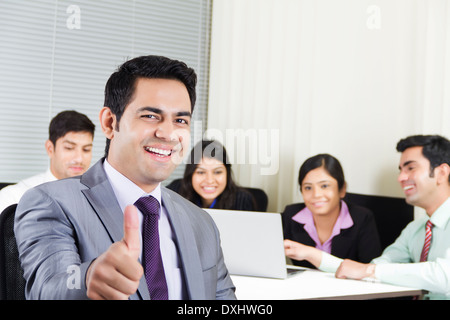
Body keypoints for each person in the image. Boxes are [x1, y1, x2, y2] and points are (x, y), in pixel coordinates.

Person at [14, 55, 236, 300]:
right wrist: (88, 279)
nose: (168, 133)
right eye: (151, 116)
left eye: (180, 120)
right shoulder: (51, 202)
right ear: (110, 123)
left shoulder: (201, 223)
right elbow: (49, 287)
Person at [299, 135, 449, 300]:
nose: (401, 178)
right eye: (401, 170)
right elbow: (369, 268)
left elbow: (445, 276)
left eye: (410, 168)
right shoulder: (415, 229)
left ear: (441, 172)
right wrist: (311, 255)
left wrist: (370, 271)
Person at [283, 154, 382, 269]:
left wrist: (312, 254)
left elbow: (370, 269)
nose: (316, 195)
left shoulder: (362, 218)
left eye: (324, 186)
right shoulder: (291, 214)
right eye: (308, 188)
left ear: (342, 189)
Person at [0, 110, 95, 213]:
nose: (79, 159)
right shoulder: (13, 198)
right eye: (69, 148)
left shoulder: (98, 199)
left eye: (86, 149)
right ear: (50, 149)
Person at [167, 140, 256, 211]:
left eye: (217, 172)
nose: (209, 180)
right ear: (190, 174)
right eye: (201, 172)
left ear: (227, 174)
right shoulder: (175, 191)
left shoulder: (242, 200)